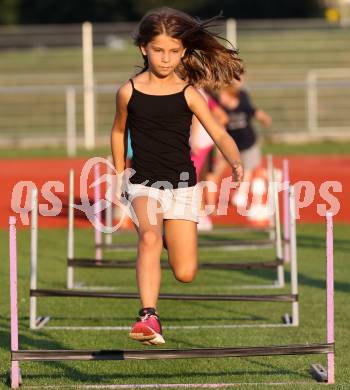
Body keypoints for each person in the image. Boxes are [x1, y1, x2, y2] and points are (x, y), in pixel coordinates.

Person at [110, 7, 244, 346]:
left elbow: (220, 133)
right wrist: (119, 173)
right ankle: (148, 316)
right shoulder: (128, 91)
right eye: (159, 50)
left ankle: (171, 239)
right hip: (142, 184)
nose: (166, 58)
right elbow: (117, 131)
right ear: (144, 49)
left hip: (183, 186)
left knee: (185, 272)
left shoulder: (188, 93)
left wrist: (235, 160)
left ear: (183, 51)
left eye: (173, 51)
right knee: (149, 237)